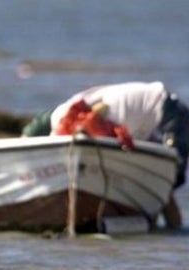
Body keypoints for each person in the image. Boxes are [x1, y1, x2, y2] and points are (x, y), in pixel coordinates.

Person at [22, 81, 189, 229]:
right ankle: (154, 219)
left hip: (168, 111)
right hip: (137, 119)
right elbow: (30, 133)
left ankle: (172, 229)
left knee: (168, 177)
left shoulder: (96, 124)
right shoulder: (59, 115)